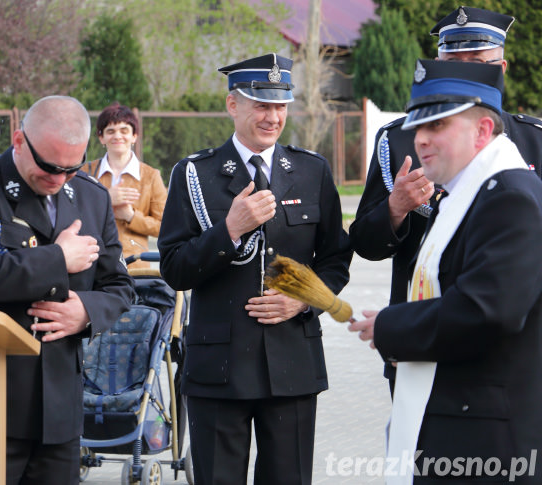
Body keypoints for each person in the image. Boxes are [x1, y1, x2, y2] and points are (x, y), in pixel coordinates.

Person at [158, 53, 352, 484]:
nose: (273, 116)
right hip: (218, 369)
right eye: (261, 104)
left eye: (280, 105)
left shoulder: (310, 170)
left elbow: (336, 260)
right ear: (233, 105)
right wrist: (229, 229)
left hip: (292, 366)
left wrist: (303, 301)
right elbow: (174, 268)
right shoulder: (194, 174)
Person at [350, 59, 542, 484]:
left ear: (483, 131)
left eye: (438, 126)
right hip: (460, 432)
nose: (420, 140)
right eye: (419, 127)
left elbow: (488, 310)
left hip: (489, 445)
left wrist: (390, 326)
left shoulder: (509, 196)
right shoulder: (467, 194)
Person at [0, 95, 133, 485]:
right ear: (18, 141)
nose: (59, 179)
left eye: (70, 168)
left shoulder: (92, 199)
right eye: (48, 167)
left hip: (60, 406)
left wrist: (86, 312)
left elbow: (119, 286)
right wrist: (57, 259)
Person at [350, 5, 542, 390]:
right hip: (419, 335)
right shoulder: (401, 138)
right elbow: (366, 244)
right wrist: (395, 209)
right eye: (453, 61)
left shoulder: (534, 140)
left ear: (500, 71)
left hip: (509, 354)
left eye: (477, 62)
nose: (463, 71)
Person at [82, 102, 167, 267]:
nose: (117, 136)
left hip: (136, 267)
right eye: (110, 131)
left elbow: (165, 227)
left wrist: (131, 216)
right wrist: (105, 199)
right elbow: (71, 215)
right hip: (93, 264)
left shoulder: (151, 176)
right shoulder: (85, 172)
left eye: (124, 130)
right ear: (101, 137)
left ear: (134, 136)